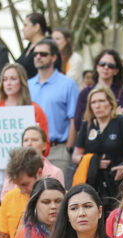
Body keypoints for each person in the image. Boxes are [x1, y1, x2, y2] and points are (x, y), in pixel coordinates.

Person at [72, 86, 123, 210]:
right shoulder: (87, 125)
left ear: (111, 103)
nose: (97, 106)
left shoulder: (120, 121)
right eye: (93, 102)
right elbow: (75, 156)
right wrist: (94, 162)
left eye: (102, 101)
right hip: (94, 182)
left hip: (117, 181)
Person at [0, 63, 51, 200]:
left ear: (22, 82)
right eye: (5, 79)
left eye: (13, 79)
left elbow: (46, 145)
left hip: (24, 170)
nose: (8, 83)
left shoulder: (35, 110)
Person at [28, 38, 80, 173]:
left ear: (54, 57)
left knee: (58, 192)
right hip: (31, 151)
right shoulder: (27, 86)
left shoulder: (68, 84)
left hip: (58, 150)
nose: (38, 57)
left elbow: (74, 118)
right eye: (35, 54)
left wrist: (68, 148)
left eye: (43, 54)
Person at [74, 49, 123, 131]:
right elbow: (78, 123)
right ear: (97, 67)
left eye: (111, 65)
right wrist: (113, 114)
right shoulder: (85, 93)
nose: (106, 67)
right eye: (102, 64)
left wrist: (93, 116)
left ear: (116, 71)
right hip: (90, 139)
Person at [16, 13, 61, 79]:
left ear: (36, 27)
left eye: (25, 25)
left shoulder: (49, 45)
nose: (23, 29)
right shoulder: (29, 47)